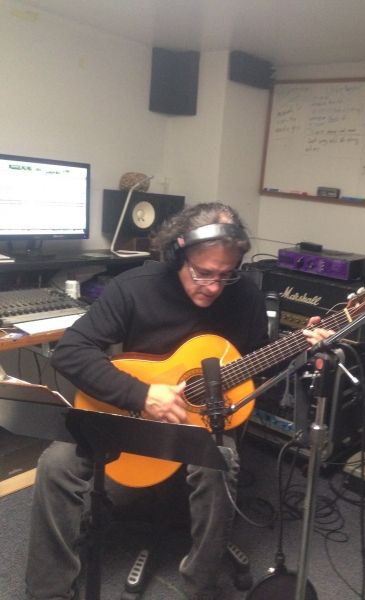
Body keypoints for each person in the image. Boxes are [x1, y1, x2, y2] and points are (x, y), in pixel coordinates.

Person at [25, 202, 331, 600]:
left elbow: (257, 366)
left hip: (200, 424)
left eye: (226, 274)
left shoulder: (246, 298)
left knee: (222, 462)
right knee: (56, 464)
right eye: (202, 272)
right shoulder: (134, 287)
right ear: (178, 253)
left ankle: (200, 587)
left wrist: (295, 351)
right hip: (129, 413)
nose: (214, 286)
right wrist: (141, 394)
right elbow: (71, 352)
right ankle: (48, 591)